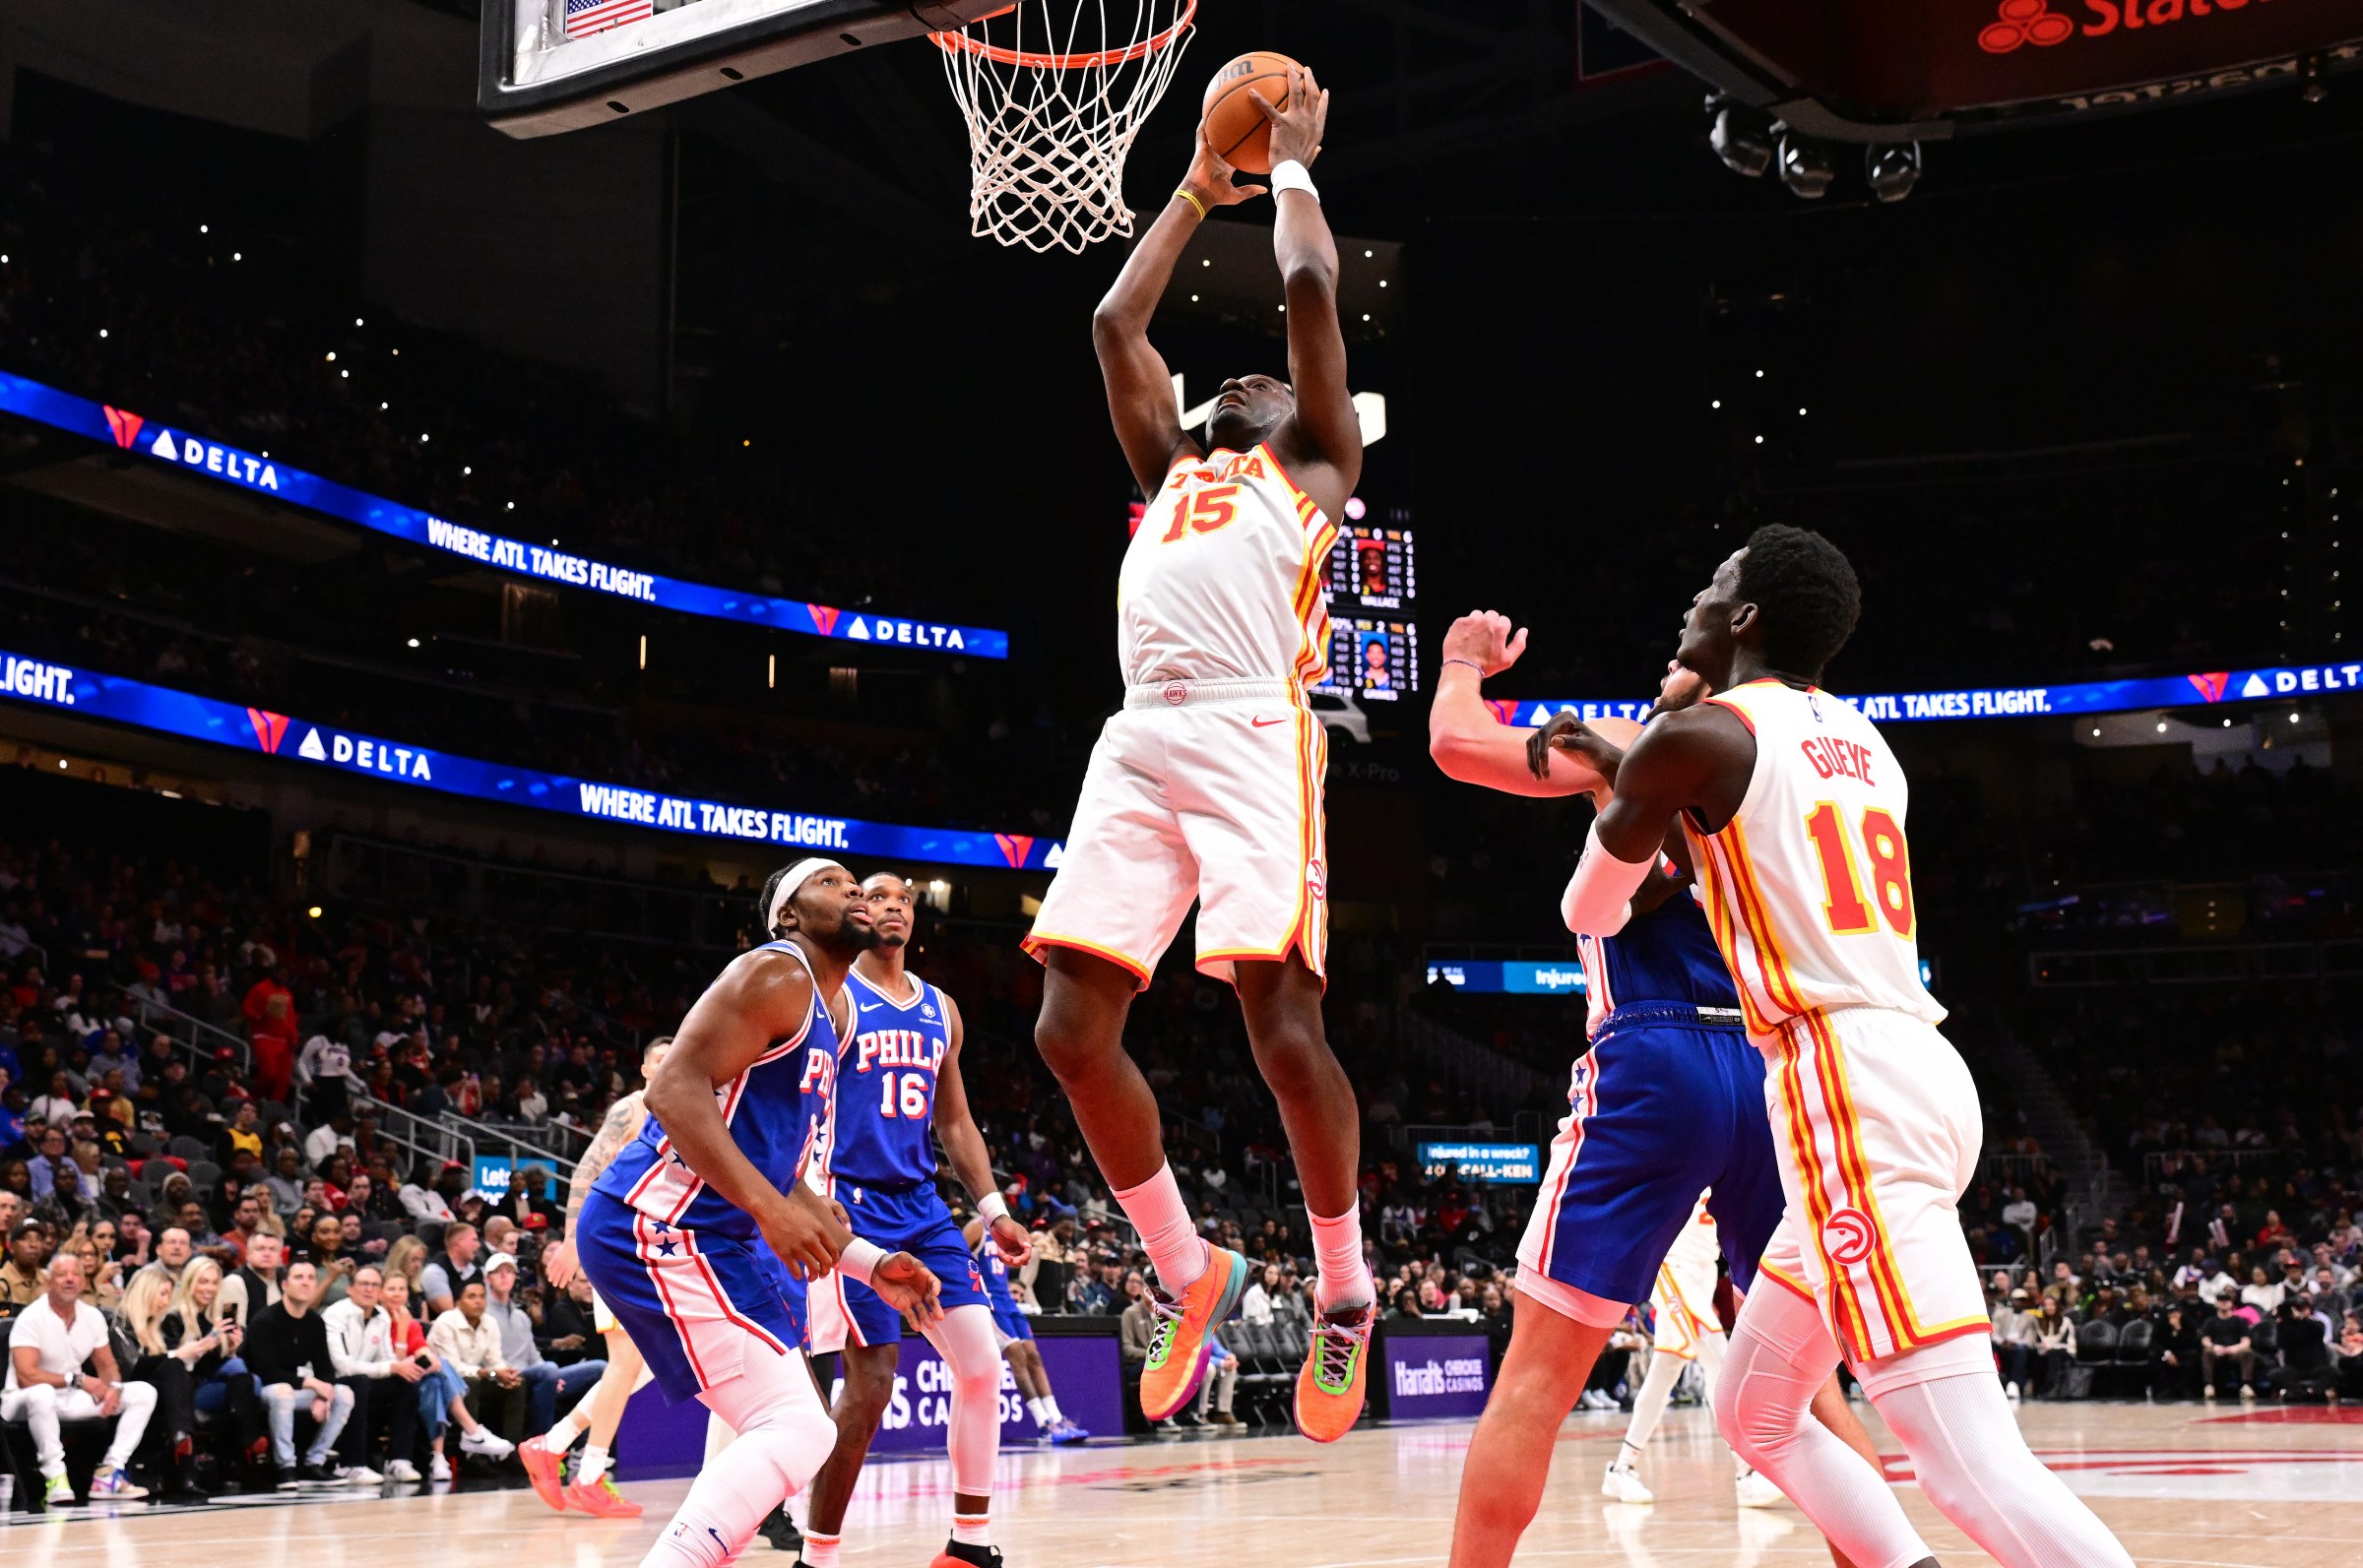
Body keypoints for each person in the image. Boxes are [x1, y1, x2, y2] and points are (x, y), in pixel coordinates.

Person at [1537, 525, 2136, 1568]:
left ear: (1748, 618)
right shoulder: (1868, 742)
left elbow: (1589, 909)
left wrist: (1631, 767)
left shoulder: (1700, 735)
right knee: (1754, 1407)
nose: (1694, 598)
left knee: (1964, 1459)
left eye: (1715, 585)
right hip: (1911, 1068)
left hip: (1842, 1085)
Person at [1027, 68, 1375, 1444]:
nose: (1241, 380)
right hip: (1139, 736)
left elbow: (1305, 302)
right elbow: (1115, 319)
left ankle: (1345, 1296)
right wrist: (1192, 187)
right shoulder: (1168, 463)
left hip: (1249, 729)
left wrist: (1291, 166)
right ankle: (1190, 1266)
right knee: (1066, 1028)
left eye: (1261, 384)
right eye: (1224, 380)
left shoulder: (1319, 465)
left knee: (1283, 1032)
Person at [1426, 617, 1875, 1567]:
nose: (1672, 639)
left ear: (1728, 653)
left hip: (1659, 1049)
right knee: (1810, 1389)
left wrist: (1463, 661)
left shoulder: (1652, 748)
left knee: (1534, 1381)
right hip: (1769, 1062)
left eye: (1694, 628)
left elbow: (1456, 745)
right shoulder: (1799, 753)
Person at [574, 859, 940, 1568]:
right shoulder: (778, 972)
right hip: (656, 1222)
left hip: (705, 1234)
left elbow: (780, 1168)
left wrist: (867, 1264)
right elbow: (673, 1091)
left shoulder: (831, 1017)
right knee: (798, 1426)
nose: (856, 891)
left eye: (855, 883)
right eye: (832, 883)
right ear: (790, 915)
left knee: (785, 1430)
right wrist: (769, 1209)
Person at [801, 873, 1029, 1568]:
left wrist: (993, 1210)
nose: (892, 905)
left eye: (903, 897)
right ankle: (819, 1555)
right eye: (876, 896)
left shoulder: (941, 1008)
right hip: (854, 1204)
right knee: (870, 1387)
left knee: (983, 1365)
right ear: (857, 913)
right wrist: (807, 1189)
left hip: (924, 1207)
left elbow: (954, 1119)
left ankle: (969, 1542)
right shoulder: (834, 1000)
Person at [524, 1034, 673, 1518]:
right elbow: (585, 1170)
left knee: (644, 1367)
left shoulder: (685, 1107)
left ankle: (554, 1443)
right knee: (627, 1362)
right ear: (645, 1069)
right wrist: (569, 1241)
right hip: (618, 1243)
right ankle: (588, 1474)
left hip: (650, 1247)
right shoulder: (632, 1110)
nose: (669, 1064)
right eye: (659, 1059)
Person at [1600, 1197, 1781, 1508]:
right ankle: (1746, 1472)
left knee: (1665, 1370)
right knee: (1718, 1358)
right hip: (1673, 1264)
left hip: (1702, 1270)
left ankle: (1621, 1467)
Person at [2, 1250, 157, 1503]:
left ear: (84, 1281)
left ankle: (110, 1473)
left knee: (143, 1392)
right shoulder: (32, 1317)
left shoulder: (92, 1316)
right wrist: (77, 1380)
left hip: (69, 1398)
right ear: (49, 1281)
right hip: (20, 1401)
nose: (70, 1280)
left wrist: (114, 1389)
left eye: (76, 1274)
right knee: (42, 1394)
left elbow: (106, 1365)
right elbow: (26, 1376)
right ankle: (56, 1478)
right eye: (62, 1275)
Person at [966, 1215, 1089, 1445]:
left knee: (1034, 1355)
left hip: (1008, 1301)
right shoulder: (976, 1227)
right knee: (1017, 1356)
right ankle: (1043, 1423)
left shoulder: (1005, 1232)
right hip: (990, 1302)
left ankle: (1056, 1416)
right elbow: (957, 1260)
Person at [246, 1257, 367, 1487]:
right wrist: (313, 1385)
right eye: (299, 1277)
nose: (306, 1283)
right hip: (261, 1391)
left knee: (344, 1394)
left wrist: (323, 1394)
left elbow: (325, 1369)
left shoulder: (314, 1321)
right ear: (284, 1284)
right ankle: (286, 1466)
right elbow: (268, 1372)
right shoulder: (265, 1320)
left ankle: (314, 1462)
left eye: (311, 1278)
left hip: (295, 1389)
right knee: (282, 1392)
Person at [482, 1251, 607, 1439]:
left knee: (600, 1368)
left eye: (509, 1271)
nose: (504, 1275)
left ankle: (585, 1444)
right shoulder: (482, 1315)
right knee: (548, 1370)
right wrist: (549, 1373)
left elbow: (533, 1355)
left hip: (535, 1374)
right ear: (487, 1278)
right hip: (504, 1376)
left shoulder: (521, 1317)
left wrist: (553, 1376)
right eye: (498, 1271)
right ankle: (544, 1442)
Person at [325, 1262, 423, 1484]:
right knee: (359, 1383)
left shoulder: (382, 1316)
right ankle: (352, 1464)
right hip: (333, 1383)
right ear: (350, 1289)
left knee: (405, 1382)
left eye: (374, 1285)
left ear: (380, 1292)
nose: (369, 1289)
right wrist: (391, 1367)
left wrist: (402, 1366)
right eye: (363, 1284)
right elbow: (342, 1366)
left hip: (364, 1381)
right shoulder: (335, 1314)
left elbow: (387, 1358)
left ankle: (399, 1460)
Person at [428, 1277, 529, 1449]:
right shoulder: (445, 1322)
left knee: (517, 1384)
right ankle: (473, 1453)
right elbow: (453, 1368)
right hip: (443, 1384)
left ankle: (511, 1450)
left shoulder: (490, 1322)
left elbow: (494, 1359)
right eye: (472, 1297)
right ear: (458, 1302)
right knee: (471, 1383)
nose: (479, 1302)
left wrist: (505, 1372)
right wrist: (490, 1373)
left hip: (474, 1378)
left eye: (482, 1296)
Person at [2202, 1290, 2261, 1400]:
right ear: (2216, 1303)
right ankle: (2209, 1386)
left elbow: (2246, 1341)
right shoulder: (2210, 1321)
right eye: (2221, 1300)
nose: (2224, 1303)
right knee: (2207, 1353)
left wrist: (2234, 1348)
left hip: (2234, 1352)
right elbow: (2205, 1340)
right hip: (2217, 1352)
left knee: (2248, 1353)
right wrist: (2214, 1347)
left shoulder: (2239, 1321)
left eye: (2226, 1300)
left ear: (2231, 1303)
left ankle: (2246, 1385)